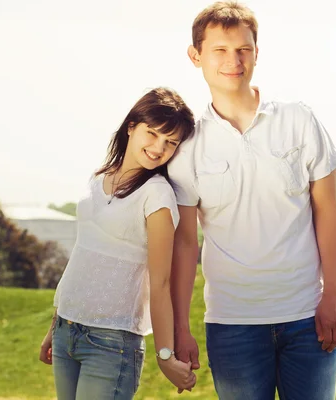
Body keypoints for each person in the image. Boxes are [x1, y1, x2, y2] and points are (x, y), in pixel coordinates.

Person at [168, 2, 336, 399]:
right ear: (196, 55)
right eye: (220, 50)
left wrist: (333, 295)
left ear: (255, 53)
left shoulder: (299, 120)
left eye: (243, 50)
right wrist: (180, 327)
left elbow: (327, 212)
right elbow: (184, 243)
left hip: (307, 318)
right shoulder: (187, 146)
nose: (233, 61)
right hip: (232, 325)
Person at [38, 87, 197, 399]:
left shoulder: (157, 195)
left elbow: (161, 282)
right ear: (132, 127)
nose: (158, 148)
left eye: (170, 142)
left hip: (111, 342)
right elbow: (83, 256)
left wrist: (165, 356)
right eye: (152, 134)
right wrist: (55, 323)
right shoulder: (98, 179)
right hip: (67, 329)